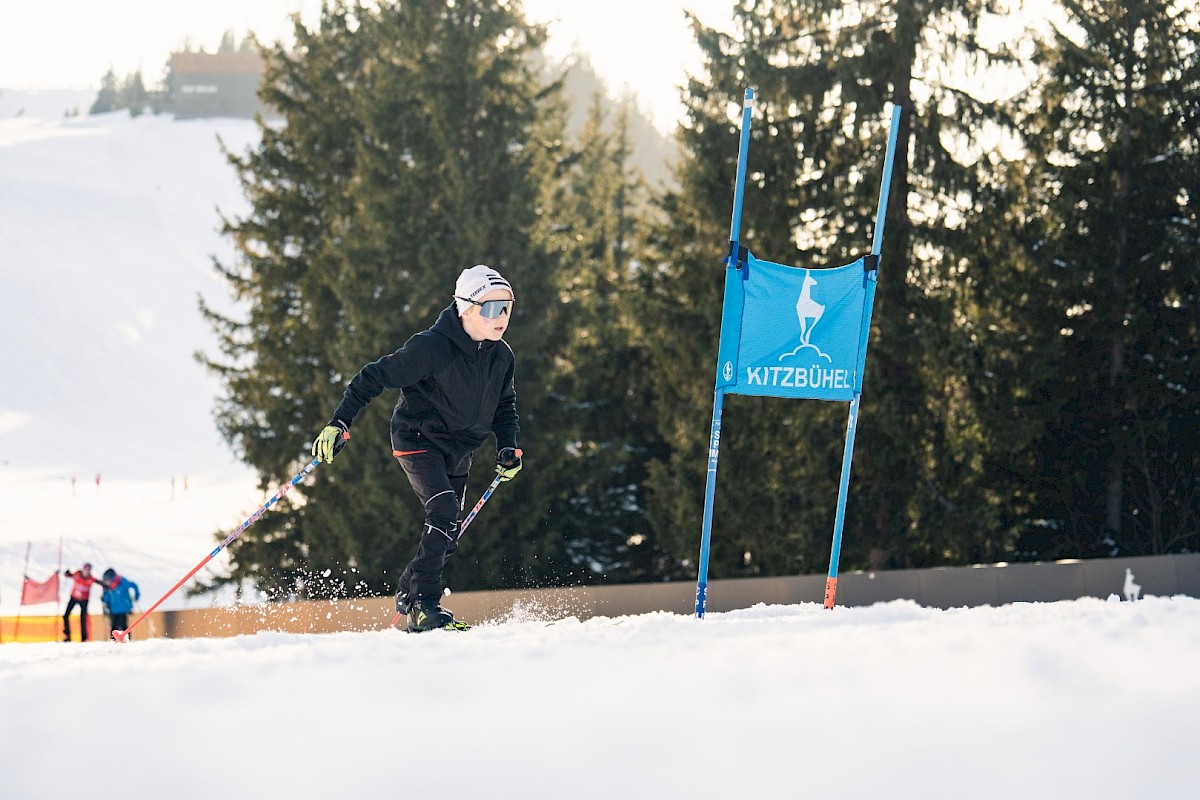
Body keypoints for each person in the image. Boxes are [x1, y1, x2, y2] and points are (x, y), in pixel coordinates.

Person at [311, 265, 523, 633]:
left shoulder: (501, 356)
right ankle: (425, 607)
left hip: (460, 449)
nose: (501, 316)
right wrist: (340, 421)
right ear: (466, 307)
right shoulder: (432, 347)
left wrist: (507, 447)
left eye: (507, 307)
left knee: (447, 533)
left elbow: (505, 407)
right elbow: (373, 376)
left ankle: (409, 589)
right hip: (419, 440)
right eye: (492, 308)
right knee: (443, 511)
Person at [62, 563, 106, 642]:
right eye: (85, 570)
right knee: (66, 616)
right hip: (74, 598)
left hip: (84, 600)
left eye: (88, 570)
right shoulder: (77, 574)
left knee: (83, 618)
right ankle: (67, 635)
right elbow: (69, 575)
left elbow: (99, 582)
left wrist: (105, 584)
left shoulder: (91, 579)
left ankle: (84, 637)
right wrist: (67, 573)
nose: (86, 572)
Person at [100, 568, 141, 639]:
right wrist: (105, 601)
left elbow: (134, 586)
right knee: (114, 627)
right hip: (113, 609)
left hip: (124, 608)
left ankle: (126, 640)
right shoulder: (107, 587)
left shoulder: (123, 582)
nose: (106, 582)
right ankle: (114, 641)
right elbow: (107, 595)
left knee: (123, 625)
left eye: (107, 580)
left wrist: (136, 596)